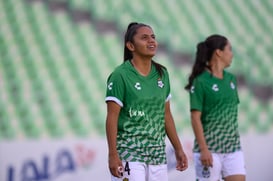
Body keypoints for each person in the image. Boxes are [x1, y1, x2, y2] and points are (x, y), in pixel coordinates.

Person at [105, 22, 188, 181]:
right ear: (130, 46)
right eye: (144, 38)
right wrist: (113, 155)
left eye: (153, 37)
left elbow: (166, 115)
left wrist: (178, 148)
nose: (151, 41)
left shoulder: (162, 73)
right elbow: (112, 117)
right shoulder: (120, 75)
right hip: (129, 153)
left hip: (157, 156)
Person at [185, 34, 246, 181]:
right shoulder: (200, 82)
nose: (232, 54)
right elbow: (195, 117)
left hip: (232, 148)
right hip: (209, 150)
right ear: (219, 52)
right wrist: (204, 149)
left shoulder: (231, 79)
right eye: (229, 49)